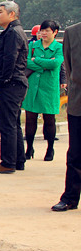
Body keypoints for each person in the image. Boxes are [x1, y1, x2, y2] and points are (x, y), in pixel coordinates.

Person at [0, 1, 29, 174]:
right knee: (14, 123)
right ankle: (18, 160)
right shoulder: (14, 31)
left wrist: (2, 80)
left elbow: (10, 58)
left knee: (7, 124)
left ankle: (8, 162)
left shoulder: (12, 32)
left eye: (1, 11)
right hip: (16, 83)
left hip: (11, 83)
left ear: (11, 14)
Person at [22, 20, 63, 162]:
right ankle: (29, 148)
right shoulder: (33, 45)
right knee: (30, 119)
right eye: (42, 30)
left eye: (47, 31)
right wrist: (44, 65)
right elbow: (27, 62)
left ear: (55, 32)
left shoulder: (59, 47)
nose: (43, 33)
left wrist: (37, 60)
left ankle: (50, 148)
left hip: (49, 87)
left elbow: (56, 63)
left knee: (49, 119)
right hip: (33, 86)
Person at [52, 21, 81, 212]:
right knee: (75, 153)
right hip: (78, 103)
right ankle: (70, 197)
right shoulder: (72, 32)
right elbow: (70, 69)